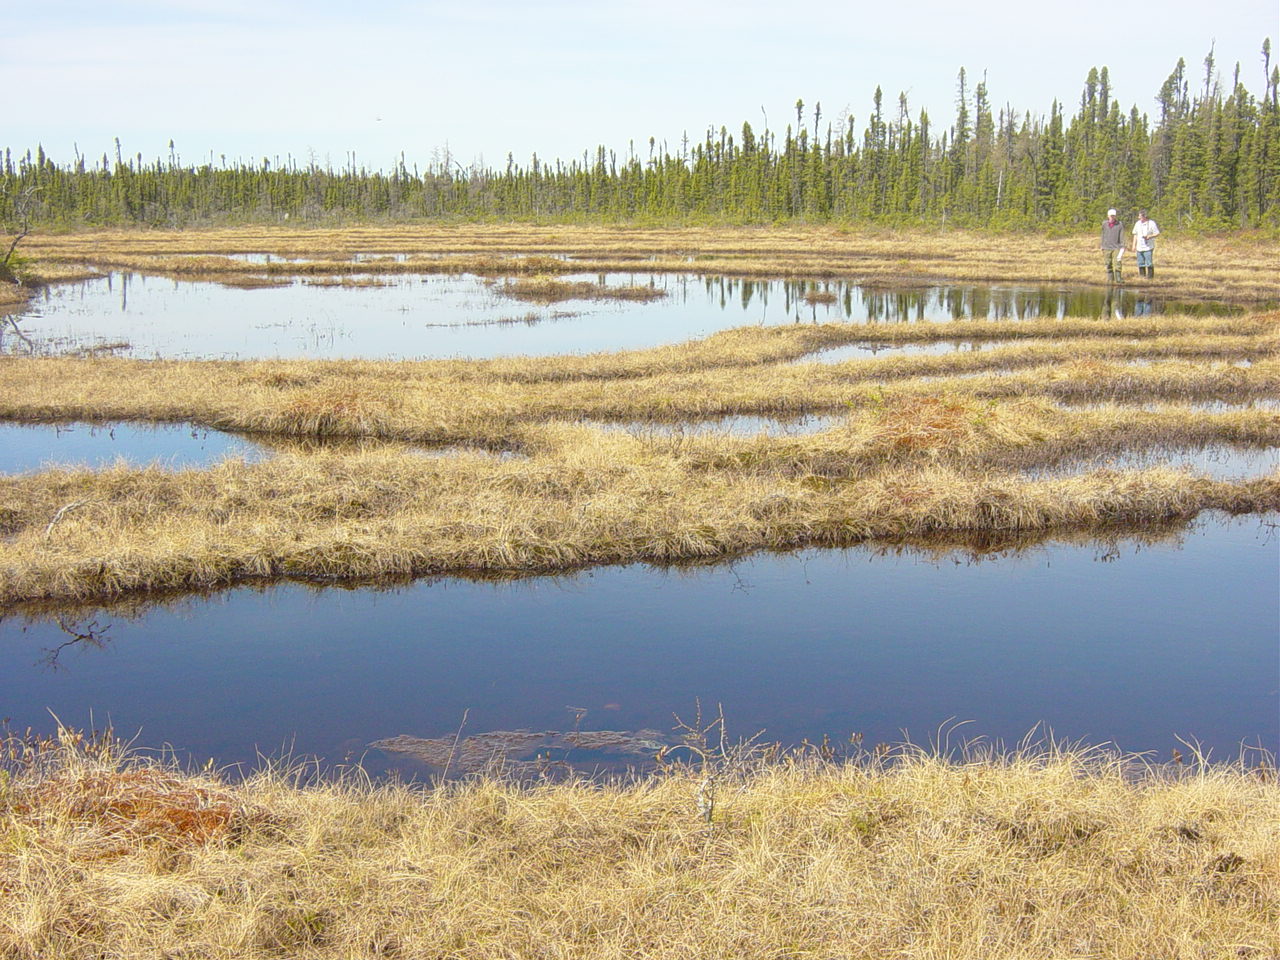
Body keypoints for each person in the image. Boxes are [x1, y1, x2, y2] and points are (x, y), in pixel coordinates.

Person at [1132, 210, 1160, 278]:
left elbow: (1157, 233)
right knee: (1140, 263)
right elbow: (1135, 234)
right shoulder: (1137, 224)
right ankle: (1142, 276)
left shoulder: (1151, 223)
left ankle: (1150, 277)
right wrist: (1134, 245)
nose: (1139, 218)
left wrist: (1150, 236)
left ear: (1145, 216)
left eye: (1140, 216)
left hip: (1148, 247)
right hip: (1139, 247)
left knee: (1149, 263)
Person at [1100, 208, 1124, 284]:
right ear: (1108, 216)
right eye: (1111, 216)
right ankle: (1110, 279)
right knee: (1108, 263)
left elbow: (1122, 236)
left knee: (1117, 263)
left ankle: (1118, 279)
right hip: (1106, 247)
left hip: (1116, 247)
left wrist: (1122, 247)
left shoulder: (1119, 224)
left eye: (1113, 216)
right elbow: (1103, 235)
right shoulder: (1104, 224)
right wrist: (1102, 245)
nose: (1112, 217)